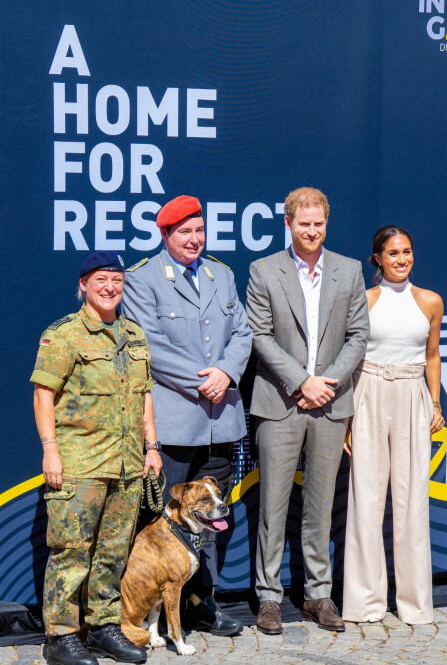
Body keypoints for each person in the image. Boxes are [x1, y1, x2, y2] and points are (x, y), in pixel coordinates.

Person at [122, 195, 252, 637]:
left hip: (222, 421)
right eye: (184, 233)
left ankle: (203, 602)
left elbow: (244, 332)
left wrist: (227, 371)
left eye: (199, 231)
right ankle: (146, 610)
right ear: (165, 235)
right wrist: (203, 380)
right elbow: (151, 347)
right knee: (163, 521)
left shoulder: (223, 275)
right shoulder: (141, 281)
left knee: (212, 518)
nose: (194, 240)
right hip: (176, 421)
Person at [246, 187, 370, 635]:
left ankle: (318, 595)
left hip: (330, 405)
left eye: (319, 224)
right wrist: (302, 382)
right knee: (273, 507)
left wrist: (326, 384)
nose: (312, 231)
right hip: (280, 403)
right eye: (304, 224)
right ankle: (269, 598)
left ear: (326, 223)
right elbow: (259, 335)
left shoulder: (350, 270)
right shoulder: (264, 271)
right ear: (289, 224)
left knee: (320, 506)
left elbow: (358, 335)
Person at [31, 251, 162, 665]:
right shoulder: (65, 334)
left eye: (117, 281)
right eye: (102, 279)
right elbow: (43, 394)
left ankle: (104, 627)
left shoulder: (134, 336)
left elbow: (144, 396)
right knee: (71, 552)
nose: (110, 288)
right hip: (80, 463)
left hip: (125, 465)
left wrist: (152, 446)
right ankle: (61, 636)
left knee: (113, 552)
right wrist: (50, 450)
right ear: (84, 284)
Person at [342, 225, 445, 625]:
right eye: (392, 253)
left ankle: (415, 604)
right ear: (378, 259)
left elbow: (433, 355)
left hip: (412, 394)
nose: (401, 259)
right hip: (367, 392)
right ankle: (365, 603)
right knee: (366, 500)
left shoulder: (431, 301)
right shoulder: (365, 300)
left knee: (412, 501)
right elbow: (350, 358)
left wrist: (435, 403)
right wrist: (348, 418)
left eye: (406, 251)